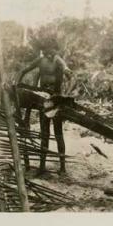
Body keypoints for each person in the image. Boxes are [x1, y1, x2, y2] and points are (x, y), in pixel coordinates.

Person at [17, 38, 71, 175]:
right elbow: (25, 70)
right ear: (45, 50)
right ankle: (42, 166)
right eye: (48, 50)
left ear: (55, 50)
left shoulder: (58, 59)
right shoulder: (40, 60)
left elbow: (67, 72)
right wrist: (17, 83)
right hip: (43, 99)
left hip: (56, 99)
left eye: (53, 50)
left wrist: (67, 92)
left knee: (58, 134)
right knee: (44, 134)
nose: (51, 53)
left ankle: (62, 167)